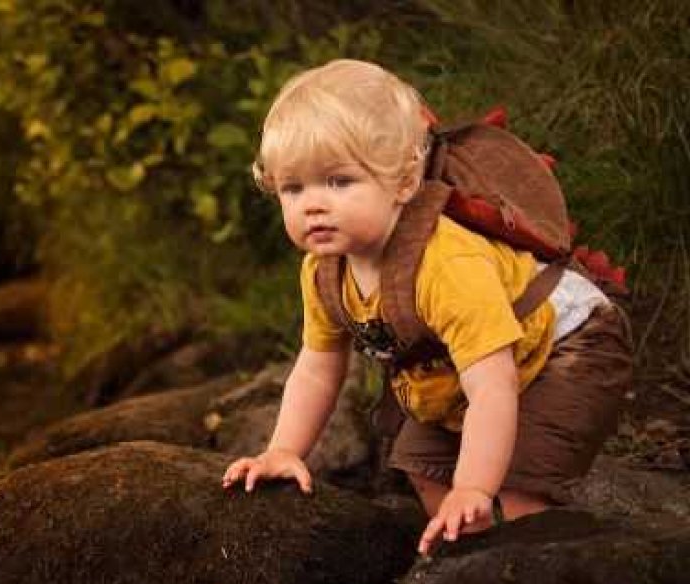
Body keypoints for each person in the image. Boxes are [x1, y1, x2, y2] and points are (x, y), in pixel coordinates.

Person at [219, 59, 632, 556]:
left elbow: (493, 383)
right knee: (420, 465)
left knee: (519, 486)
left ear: (403, 182)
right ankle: (467, 554)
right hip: (464, 368)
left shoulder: (445, 262)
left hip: (567, 346)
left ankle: (537, 568)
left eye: (339, 181)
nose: (313, 205)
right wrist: (284, 450)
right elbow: (317, 369)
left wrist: (476, 487)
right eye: (293, 188)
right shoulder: (324, 270)